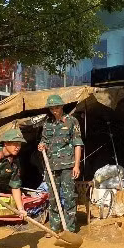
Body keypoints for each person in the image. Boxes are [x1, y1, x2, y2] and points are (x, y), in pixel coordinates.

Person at [37, 94, 83, 234]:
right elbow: (44, 141)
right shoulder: (47, 123)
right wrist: (42, 146)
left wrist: (76, 165)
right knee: (53, 198)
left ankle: (70, 229)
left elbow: (77, 144)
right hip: (51, 166)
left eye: (56, 107)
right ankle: (55, 229)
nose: (54, 110)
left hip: (68, 166)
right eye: (51, 108)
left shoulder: (72, 121)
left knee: (69, 198)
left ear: (62, 106)